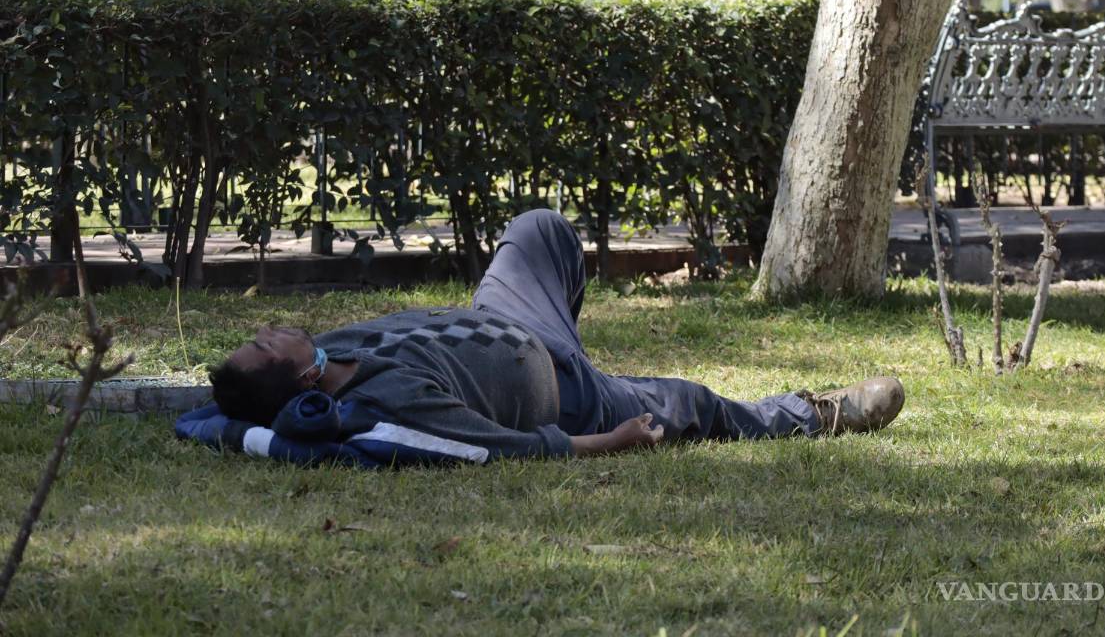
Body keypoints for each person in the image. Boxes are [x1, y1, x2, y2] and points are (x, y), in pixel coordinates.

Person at [209, 209, 905, 461]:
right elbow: (507, 446)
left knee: (540, 227)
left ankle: (572, 337)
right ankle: (817, 413)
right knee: (691, 403)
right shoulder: (387, 409)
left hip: (508, 320)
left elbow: (205, 413)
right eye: (268, 346)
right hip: (570, 394)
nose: (271, 330)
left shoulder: (330, 347)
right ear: (299, 381)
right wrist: (613, 438)